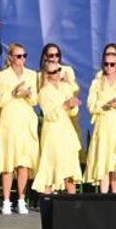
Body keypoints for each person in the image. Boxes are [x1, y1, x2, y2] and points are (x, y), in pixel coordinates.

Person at [0, 43, 40, 214]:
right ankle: (7, 200)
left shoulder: (32, 75)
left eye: (24, 56)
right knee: (8, 163)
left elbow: (35, 100)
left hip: (25, 120)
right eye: (18, 56)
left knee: (23, 163)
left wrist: (28, 94)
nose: (22, 59)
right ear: (10, 58)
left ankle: (22, 200)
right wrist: (13, 92)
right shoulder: (1, 76)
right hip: (9, 122)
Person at [85, 47, 116, 194]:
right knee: (104, 162)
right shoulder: (97, 82)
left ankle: (115, 195)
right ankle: (103, 196)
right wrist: (105, 106)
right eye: (106, 64)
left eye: (112, 64)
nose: (109, 67)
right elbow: (91, 105)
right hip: (103, 126)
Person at [32, 58, 83, 196]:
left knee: (69, 168)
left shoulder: (65, 87)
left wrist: (73, 105)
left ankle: (73, 202)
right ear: (47, 74)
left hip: (66, 131)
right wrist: (65, 105)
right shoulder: (44, 92)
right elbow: (49, 115)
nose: (57, 73)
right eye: (53, 71)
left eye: (59, 70)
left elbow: (73, 112)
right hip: (52, 133)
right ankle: (47, 202)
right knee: (51, 168)